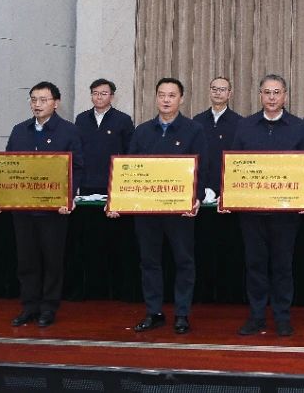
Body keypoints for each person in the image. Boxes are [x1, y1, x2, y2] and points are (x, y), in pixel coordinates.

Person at [110, 77, 210, 335]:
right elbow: (129, 169)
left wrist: (197, 197)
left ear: (181, 99)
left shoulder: (194, 130)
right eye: (162, 95)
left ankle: (182, 314)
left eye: (172, 95)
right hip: (147, 211)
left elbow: (203, 168)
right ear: (155, 98)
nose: (166, 100)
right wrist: (120, 199)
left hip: (180, 211)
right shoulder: (142, 131)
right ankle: (153, 312)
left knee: (184, 262)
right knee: (149, 262)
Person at [227, 74, 304, 337]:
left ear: (285, 95)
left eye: (277, 92)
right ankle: (256, 316)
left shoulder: (298, 127)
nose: (272, 97)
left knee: (282, 266)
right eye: (267, 92)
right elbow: (234, 165)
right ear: (260, 95)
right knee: (255, 265)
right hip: (252, 213)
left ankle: (282, 317)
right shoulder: (245, 126)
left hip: (286, 213)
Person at [0, 81, 83, 328]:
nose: (37, 104)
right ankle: (29, 306)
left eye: (43, 100)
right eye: (33, 99)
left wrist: (68, 196)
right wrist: (0, 197)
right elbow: (6, 167)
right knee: (27, 260)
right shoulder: (19, 130)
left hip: (54, 210)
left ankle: (49, 307)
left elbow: (78, 167)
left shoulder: (69, 131)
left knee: (52, 261)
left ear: (56, 103)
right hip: (23, 209)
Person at [73, 78, 133, 196]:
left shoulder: (123, 120)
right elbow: (76, 149)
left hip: (113, 180)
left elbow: (129, 150)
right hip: (86, 180)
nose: (99, 97)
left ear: (112, 97)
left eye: (104, 93)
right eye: (95, 93)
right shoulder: (81, 119)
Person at [192, 75, 242, 204]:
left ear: (229, 94)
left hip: (227, 188)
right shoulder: (197, 121)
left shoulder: (239, 123)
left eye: (222, 89)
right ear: (209, 92)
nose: (217, 93)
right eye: (214, 89)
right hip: (200, 187)